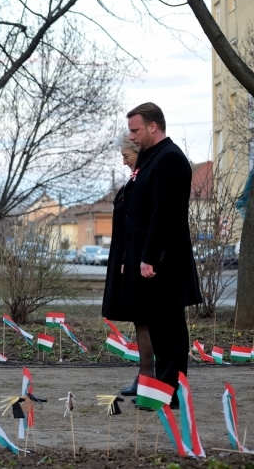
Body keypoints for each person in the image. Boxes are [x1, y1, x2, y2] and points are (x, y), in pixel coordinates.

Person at [119, 102, 201, 408]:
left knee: (170, 329)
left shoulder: (170, 159)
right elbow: (138, 213)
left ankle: (170, 395)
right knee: (158, 326)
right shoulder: (152, 159)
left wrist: (150, 256)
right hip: (149, 261)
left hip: (165, 262)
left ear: (154, 126)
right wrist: (133, 255)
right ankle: (160, 392)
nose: (133, 136)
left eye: (136, 130)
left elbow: (163, 215)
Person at [101, 133, 154, 397]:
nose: (123, 162)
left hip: (135, 260)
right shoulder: (135, 179)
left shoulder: (144, 179)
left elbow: (140, 226)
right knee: (140, 320)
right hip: (128, 257)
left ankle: (148, 377)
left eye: (126, 156)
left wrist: (128, 259)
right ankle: (145, 375)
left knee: (144, 320)